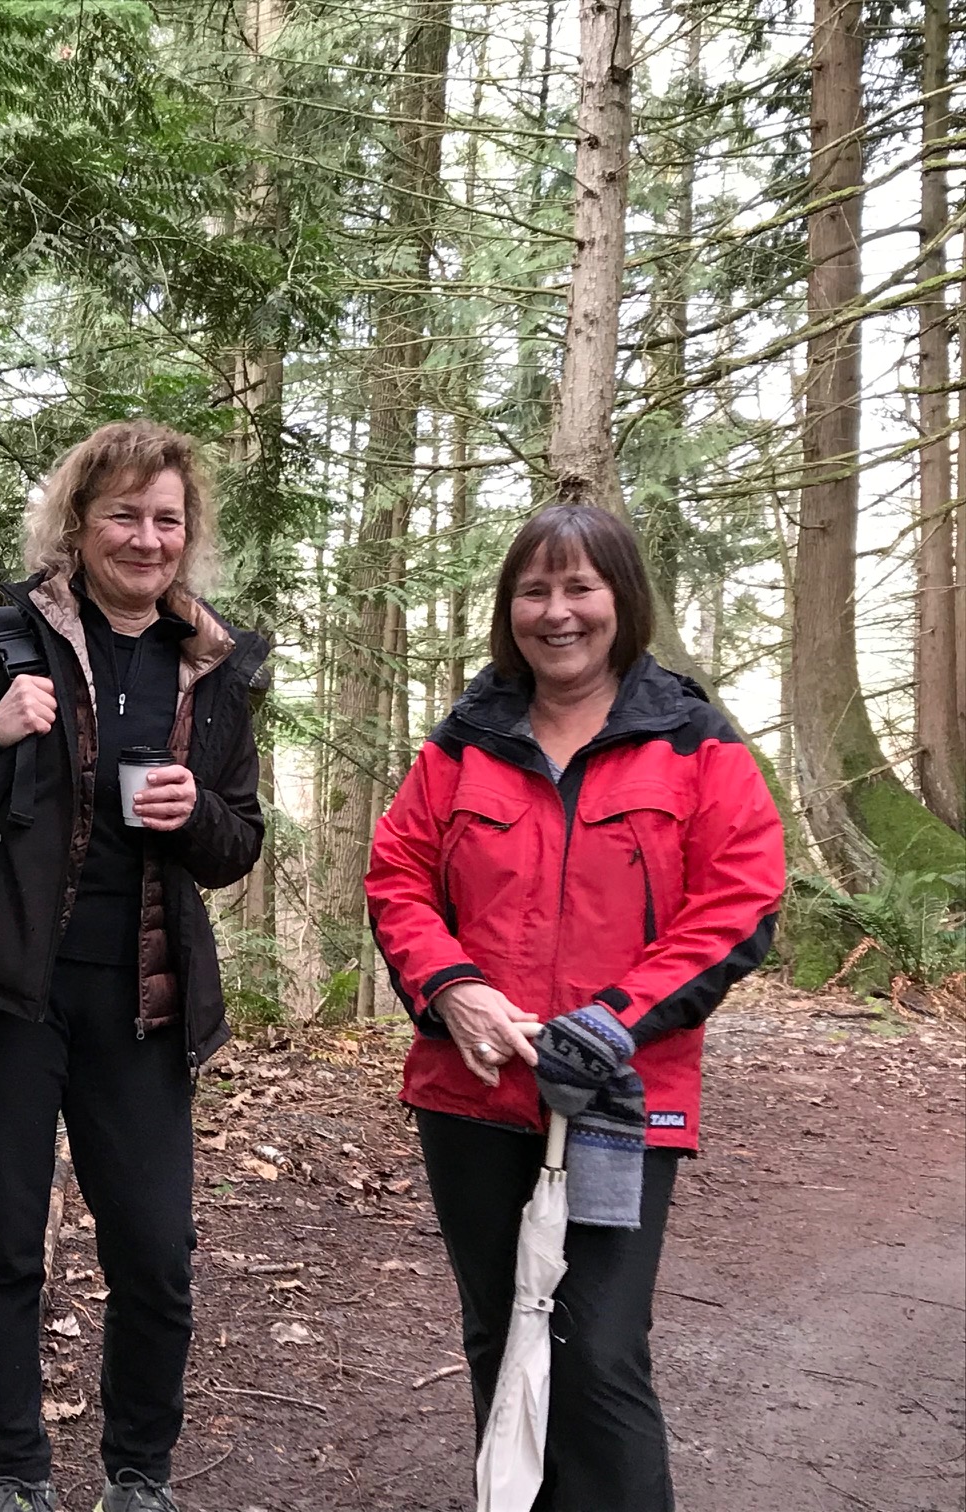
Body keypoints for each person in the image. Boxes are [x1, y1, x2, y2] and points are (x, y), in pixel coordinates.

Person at [0, 421, 265, 1512]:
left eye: (166, 519)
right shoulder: (1, 639)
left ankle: (138, 1475)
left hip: (143, 994)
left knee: (155, 1251)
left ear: (189, 533)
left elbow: (238, 844)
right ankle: (15, 1478)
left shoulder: (214, 663)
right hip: (1, 988)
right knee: (3, 1242)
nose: (146, 539)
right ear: (77, 525)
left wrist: (196, 813)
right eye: (123, 515)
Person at [365, 504, 785, 1510]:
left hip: (618, 1099)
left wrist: (613, 1021)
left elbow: (740, 901)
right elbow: (398, 877)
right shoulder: (464, 741)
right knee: (499, 1329)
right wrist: (453, 988)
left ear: (621, 599)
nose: (558, 612)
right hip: (473, 1091)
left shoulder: (694, 741)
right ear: (509, 609)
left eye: (580, 588)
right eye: (534, 591)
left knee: (595, 1342)